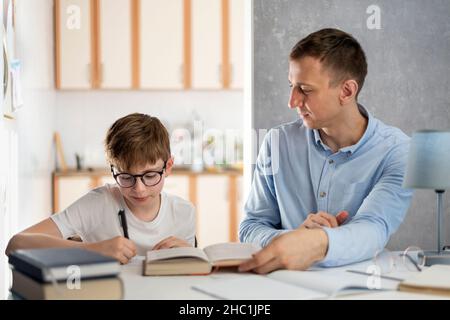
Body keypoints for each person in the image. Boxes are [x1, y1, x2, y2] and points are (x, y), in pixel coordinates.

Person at [238, 28, 413, 273]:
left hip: (358, 289)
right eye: (291, 86)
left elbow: (374, 229)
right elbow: (250, 227)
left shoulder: (398, 152)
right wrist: (295, 239)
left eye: (305, 90)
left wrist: (317, 243)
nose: (292, 101)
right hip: (285, 288)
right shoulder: (277, 142)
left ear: (347, 91)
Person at [5, 113, 196, 264]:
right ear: (113, 170)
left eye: (150, 175)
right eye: (126, 177)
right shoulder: (98, 203)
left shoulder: (184, 213)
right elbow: (16, 244)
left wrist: (191, 256)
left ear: (168, 166)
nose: (139, 189)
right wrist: (93, 250)